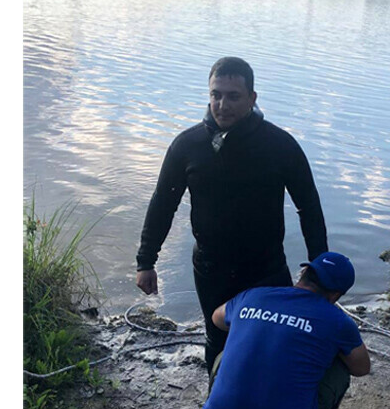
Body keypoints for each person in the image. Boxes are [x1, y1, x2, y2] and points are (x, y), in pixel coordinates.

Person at [135, 57, 329, 372]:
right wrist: (146, 261)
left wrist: (321, 268)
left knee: (270, 340)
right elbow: (162, 204)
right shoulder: (188, 145)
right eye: (216, 94)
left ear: (253, 99)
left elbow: (308, 206)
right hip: (212, 268)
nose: (222, 105)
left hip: (266, 267)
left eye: (233, 96)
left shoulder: (280, 145)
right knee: (218, 341)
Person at [201, 252, 371, 409]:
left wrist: (262, 328)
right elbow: (362, 368)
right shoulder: (337, 320)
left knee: (225, 357)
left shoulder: (255, 296)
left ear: (302, 274)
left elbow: (217, 318)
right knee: (340, 369)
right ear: (336, 295)